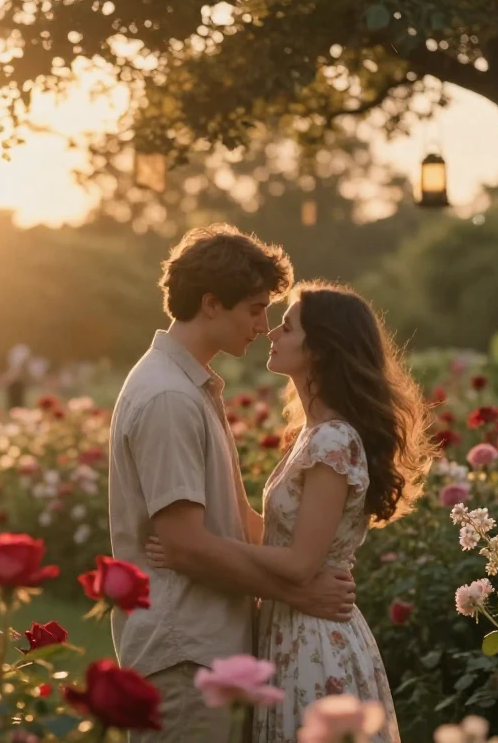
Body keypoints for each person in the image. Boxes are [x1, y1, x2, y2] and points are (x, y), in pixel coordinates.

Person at [147, 280, 434, 742]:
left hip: (316, 640)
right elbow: (281, 538)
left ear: (320, 349)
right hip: (290, 629)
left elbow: (300, 563)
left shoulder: (334, 440)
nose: (271, 334)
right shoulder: (312, 433)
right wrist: (194, 546)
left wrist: (198, 548)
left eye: (286, 327)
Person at [109, 226, 358, 743]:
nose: (263, 325)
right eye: (254, 308)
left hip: (207, 649)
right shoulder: (169, 398)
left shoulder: (191, 386)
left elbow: (230, 520)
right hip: (185, 651)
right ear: (210, 303)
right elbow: (184, 546)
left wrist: (314, 551)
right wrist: (300, 594)